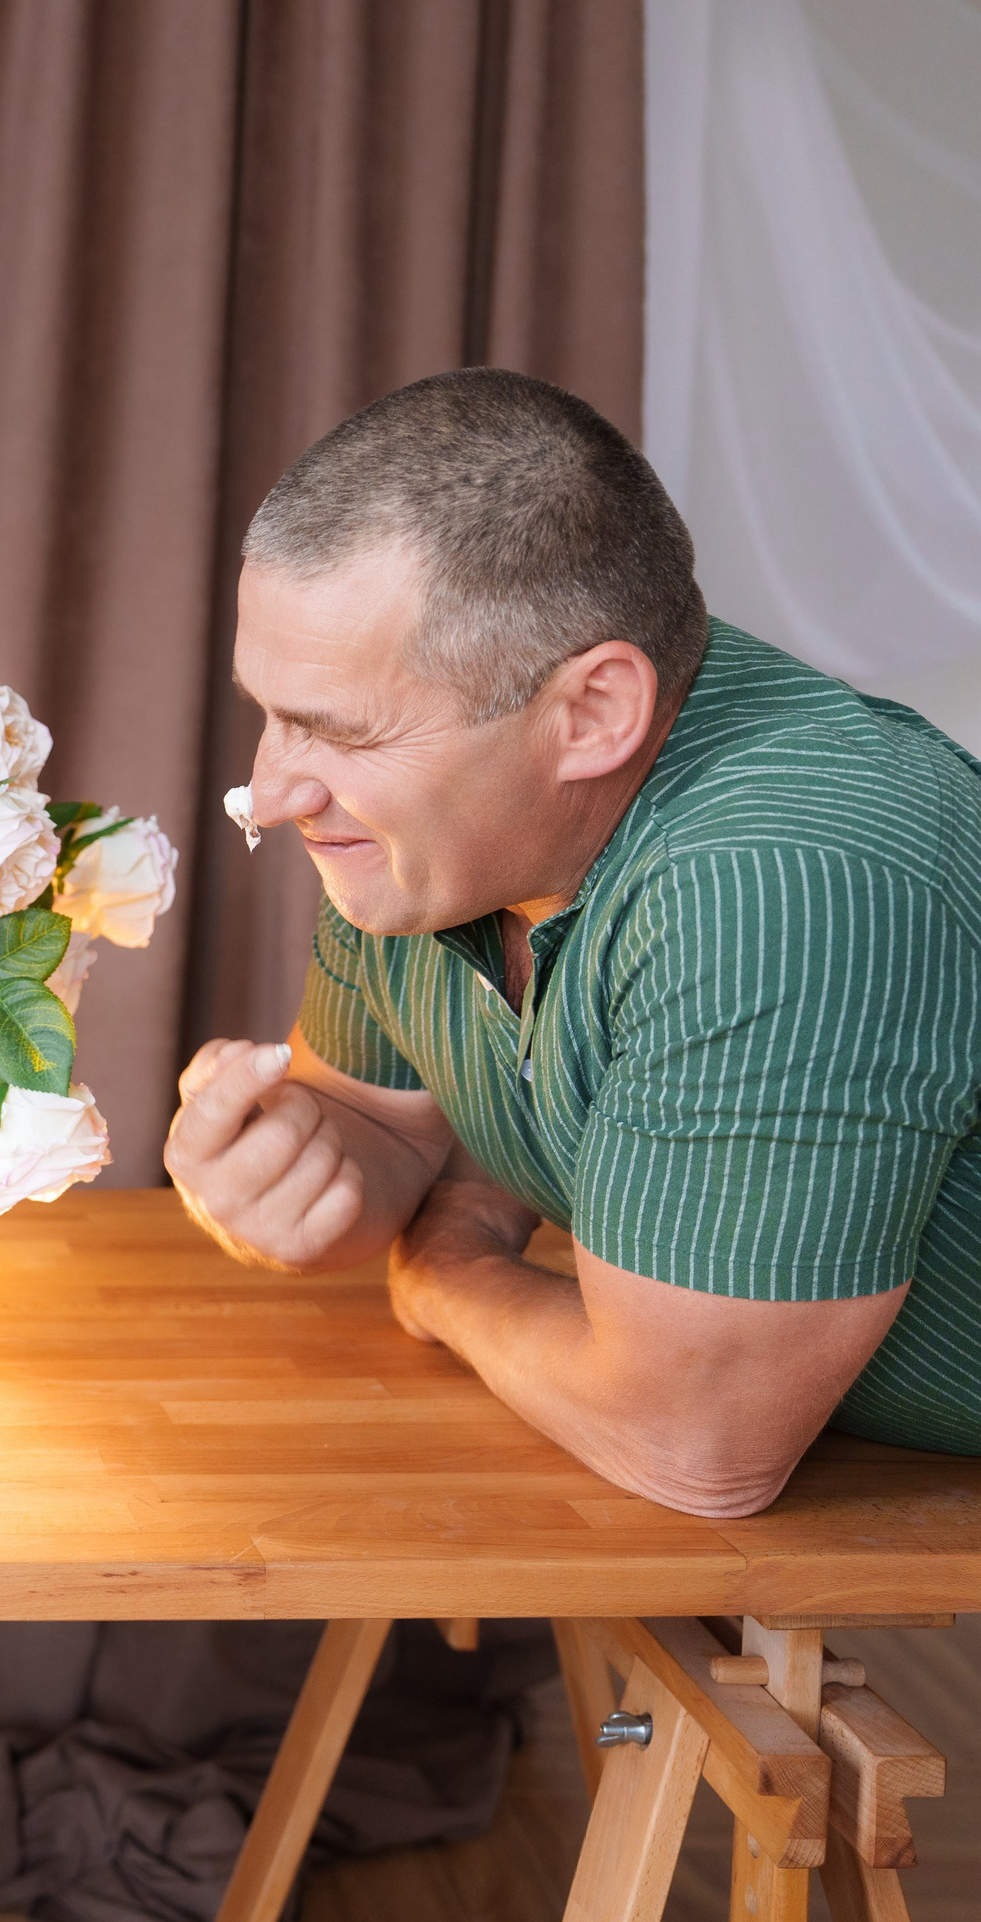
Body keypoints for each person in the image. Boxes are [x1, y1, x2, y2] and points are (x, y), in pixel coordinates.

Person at [167, 367, 981, 1519]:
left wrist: (449, 1274)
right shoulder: (421, 832)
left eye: (338, 730)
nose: (270, 790)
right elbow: (378, 1129)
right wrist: (288, 1169)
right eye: (271, 710)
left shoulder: (783, 879)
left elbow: (692, 1446)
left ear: (593, 713)